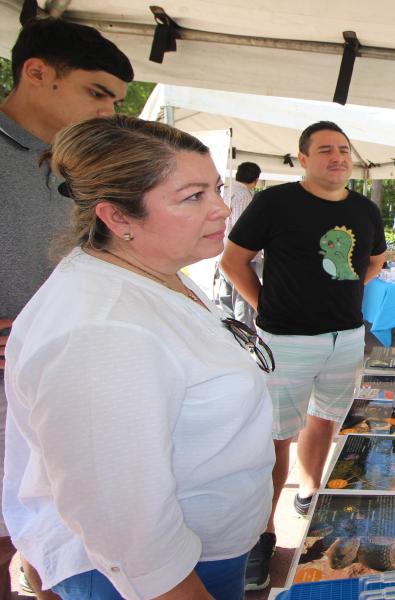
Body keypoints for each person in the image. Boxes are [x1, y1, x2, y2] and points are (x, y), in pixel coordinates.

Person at [3, 115, 275, 599]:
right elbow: (124, 522)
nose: (220, 210)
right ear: (118, 218)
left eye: (215, 189)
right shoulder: (102, 329)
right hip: (151, 577)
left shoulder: (155, 272)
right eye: (193, 196)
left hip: (203, 551)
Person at [220, 120, 387, 591]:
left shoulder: (364, 208)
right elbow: (232, 262)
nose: (337, 157)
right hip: (285, 342)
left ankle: (310, 497)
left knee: (327, 422)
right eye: (325, 149)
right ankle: (263, 534)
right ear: (303, 160)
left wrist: (343, 293)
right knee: (274, 440)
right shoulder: (274, 202)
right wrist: (267, 308)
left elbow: (374, 260)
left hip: (347, 338)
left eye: (344, 149)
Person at [0, 17, 132, 600]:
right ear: (36, 74)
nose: (107, 112)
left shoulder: (82, 167)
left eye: (115, 100)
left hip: (76, 381)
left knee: (61, 534)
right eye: (96, 93)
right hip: (9, 384)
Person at [216, 161, 262, 330]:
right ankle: (244, 334)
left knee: (226, 295)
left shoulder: (225, 191)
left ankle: (229, 330)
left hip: (222, 249)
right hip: (240, 255)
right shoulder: (244, 195)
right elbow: (243, 229)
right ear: (256, 179)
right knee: (242, 296)